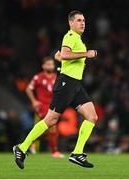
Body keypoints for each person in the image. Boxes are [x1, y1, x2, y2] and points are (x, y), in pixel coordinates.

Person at [13, 10, 98, 169]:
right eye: (79, 20)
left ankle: (77, 153)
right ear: (71, 23)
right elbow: (65, 54)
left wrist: (62, 57)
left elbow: (61, 56)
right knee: (50, 120)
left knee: (92, 116)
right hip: (66, 83)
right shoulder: (70, 36)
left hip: (75, 85)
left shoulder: (77, 39)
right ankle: (22, 147)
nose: (82, 23)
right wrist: (86, 53)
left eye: (84, 20)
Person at [26, 56, 64, 158]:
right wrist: (34, 101)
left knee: (48, 128)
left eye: (51, 64)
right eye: (48, 64)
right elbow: (28, 89)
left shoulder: (56, 77)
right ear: (43, 66)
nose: (50, 66)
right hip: (42, 106)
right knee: (51, 127)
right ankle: (55, 152)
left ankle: (30, 141)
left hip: (53, 106)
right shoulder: (38, 77)